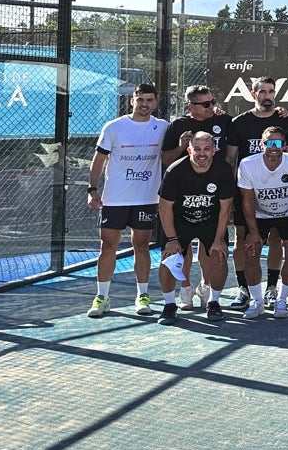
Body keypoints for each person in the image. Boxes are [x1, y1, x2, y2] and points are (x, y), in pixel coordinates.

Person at [85, 83, 169, 318]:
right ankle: (102, 297)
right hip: (114, 199)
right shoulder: (114, 127)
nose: (145, 104)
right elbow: (99, 160)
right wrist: (92, 190)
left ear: (155, 103)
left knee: (141, 247)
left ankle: (142, 295)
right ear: (132, 100)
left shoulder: (163, 127)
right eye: (140, 99)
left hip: (146, 199)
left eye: (149, 100)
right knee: (108, 247)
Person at [226, 76, 288, 311]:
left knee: (276, 238)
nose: (267, 96)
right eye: (263, 92)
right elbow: (230, 159)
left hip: (279, 195)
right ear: (253, 94)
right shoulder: (239, 122)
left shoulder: (285, 120)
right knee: (243, 240)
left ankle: (271, 288)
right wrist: (230, 197)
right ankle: (244, 289)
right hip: (247, 192)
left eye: (271, 91)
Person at [236, 127, 288, 318]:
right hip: (259, 214)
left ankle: (281, 301)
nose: (274, 147)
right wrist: (253, 231)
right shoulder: (248, 164)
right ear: (261, 144)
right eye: (269, 142)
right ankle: (257, 301)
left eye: (278, 143)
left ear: (285, 146)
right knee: (251, 251)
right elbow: (247, 200)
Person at [161, 84, 231, 309]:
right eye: (206, 104)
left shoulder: (223, 120)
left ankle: (208, 289)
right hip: (183, 201)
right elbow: (165, 159)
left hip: (214, 195)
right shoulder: (178, 126)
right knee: (175, 253)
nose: (212, 106)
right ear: (191, 106)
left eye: (213, 102)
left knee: (213, 249)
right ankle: (184, 289)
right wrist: (181, 146)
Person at [155, 131, 235, 324]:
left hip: (210, 221)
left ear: (214, 151)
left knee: (219, 255)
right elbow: (164, 207)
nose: (202, 153)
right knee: (169, 259)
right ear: (189, 150)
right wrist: (172, 240)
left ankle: (214, 303)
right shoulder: (175, 171)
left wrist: (218, 240)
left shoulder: (223, 170)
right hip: (179, 222)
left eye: (207, 149)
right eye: (197, 149)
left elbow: (225, 208)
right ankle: (169, 305)